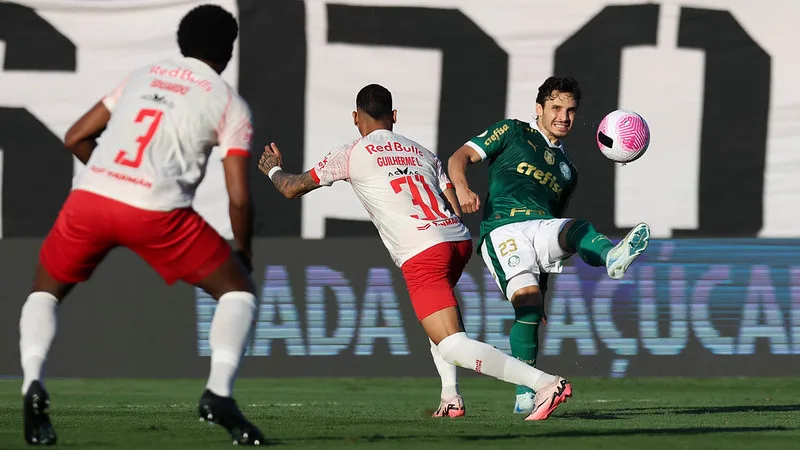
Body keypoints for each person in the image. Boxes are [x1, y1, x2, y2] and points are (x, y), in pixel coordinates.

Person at [18, 5, 265, 446]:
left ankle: (31, 384)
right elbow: (240, 198)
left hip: (90, 200)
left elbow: (76, 136)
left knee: (44, 292)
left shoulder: (143, 74)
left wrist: (111, 178)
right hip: (158, 212)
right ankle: (219, 394)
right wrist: (243, 252)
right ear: (228, 51)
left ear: (181, 43)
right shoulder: (229, 101)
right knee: (238, 292)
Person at [257, 83, 573, 422]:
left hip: (423, 252)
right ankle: (450, 397)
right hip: (457, 241)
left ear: (355, 118)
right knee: (439, 319)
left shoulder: (351, 152)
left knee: (452, 342)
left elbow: (291, 188)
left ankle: (544, 384)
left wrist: (273, 168)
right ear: (393, 117)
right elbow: (452, 200)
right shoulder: (421, 151)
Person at [447, 76, 650, 415]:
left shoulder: (568, 171)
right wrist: (462, 188)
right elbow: (460, 157)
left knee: (575, 230)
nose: (564, 117)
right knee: (525, 307)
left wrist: (544, 285)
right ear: (539, 109)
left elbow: (554, 233)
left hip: (540, 229)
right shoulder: (512, 131)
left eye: (571, 110)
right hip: (503, 231)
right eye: (556, 108)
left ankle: (611, 255)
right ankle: (526, 388)